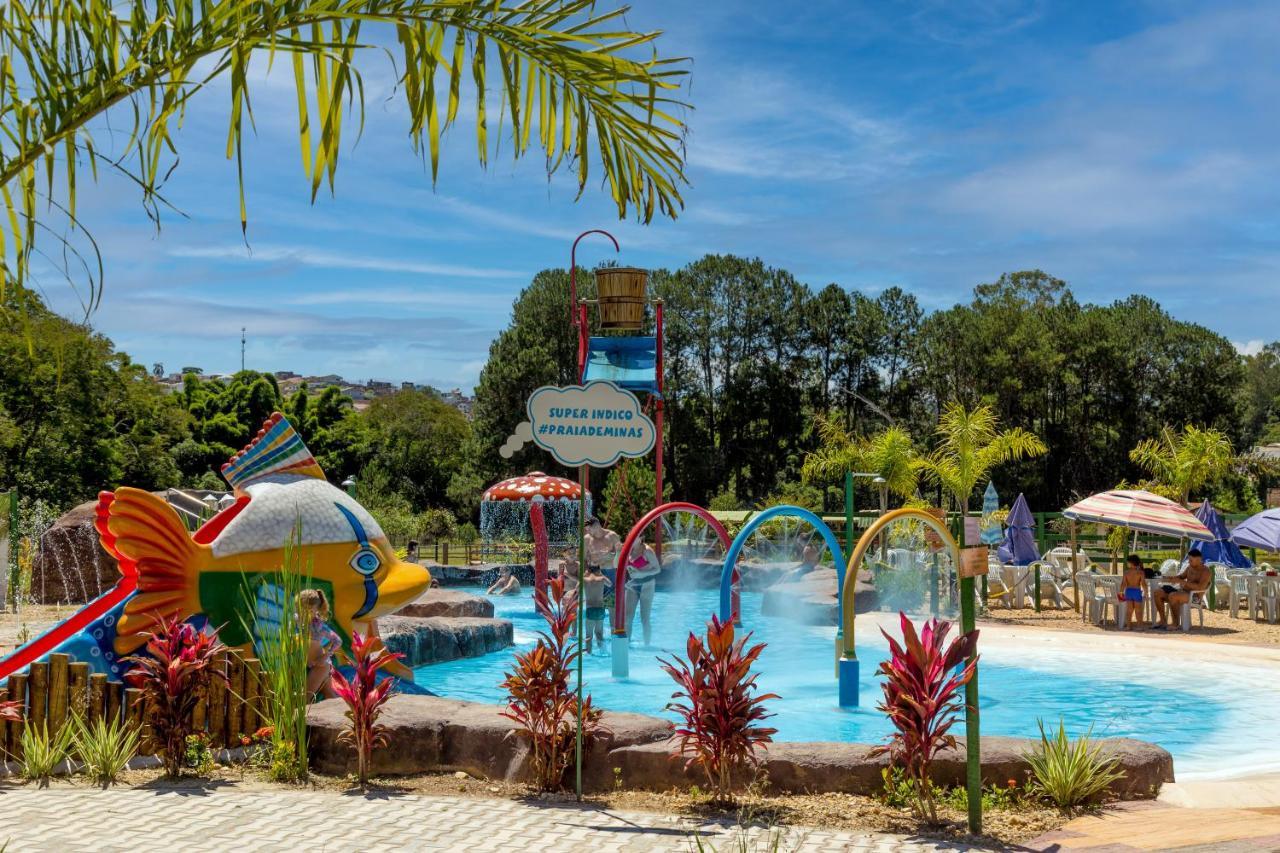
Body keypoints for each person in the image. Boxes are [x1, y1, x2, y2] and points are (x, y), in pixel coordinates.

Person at [1151, 548, 1211, 630]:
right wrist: (1171, 578)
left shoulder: (1206, 571)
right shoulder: (1190, 567)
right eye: (1189, 560)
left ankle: (1175, 623)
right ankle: (1163, 620)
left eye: (1191, 560)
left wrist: (1182, 582)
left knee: (1173, 595)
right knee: (1157, 593)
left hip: (1195, 597)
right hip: (1182, 592)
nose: (1189, 562)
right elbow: (1181, 577)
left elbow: (1200, 587)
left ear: (1198, 559)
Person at [297, 588, 339, 701]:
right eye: (302, 609)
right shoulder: (296, 621)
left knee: (305, 698)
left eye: (309, 611)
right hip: (307, 664)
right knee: (329, 694)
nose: (305, 613)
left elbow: (338, 641)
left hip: (320, 665)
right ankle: (341, 717)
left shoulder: (318, 626)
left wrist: (325, 656)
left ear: (316, 609)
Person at [623, 539, 662, 646]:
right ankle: (627, 644)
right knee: (627, 618)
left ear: (641, 538)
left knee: (644, 618)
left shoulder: (647, 551)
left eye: (636, 535)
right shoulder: (628, 550)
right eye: (630, 535)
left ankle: (647, 646)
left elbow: (657, 569)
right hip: (632, 585)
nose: (632, 537)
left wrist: (641, 574)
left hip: (647, 585)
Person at [584, 516, 621, 585]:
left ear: (597, 526)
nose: (587, 532)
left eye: (589, 529)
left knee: (611, 595)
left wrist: (611, 555)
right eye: (586, 530)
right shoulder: (587, 539)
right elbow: (583, 557)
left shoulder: (612, 536)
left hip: (611, 570)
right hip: (594, 572)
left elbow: (621, 554)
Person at [582, 564, 608, 653]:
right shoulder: (602, 579)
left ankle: (589, 653)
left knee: (588, 635)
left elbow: (577, 589)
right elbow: (610, 584)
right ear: (598, 571)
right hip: (600, 609)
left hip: (590, 609)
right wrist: (601, 575)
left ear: (588, 571)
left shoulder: (584, 580)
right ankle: (603, 652)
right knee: (599, 633)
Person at [1120, 554, 1146, 630]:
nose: (1127, 563)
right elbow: (1143, 584)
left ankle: (1128, 626)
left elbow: (1123, 584)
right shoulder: (1141, 573)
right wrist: (1145, 592)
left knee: (1129, 610)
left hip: (1129, 592)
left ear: (1131, 563)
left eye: (1128, 562)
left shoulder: (1126, 572)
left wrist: (1121, 593)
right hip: (1137, 592)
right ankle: (1139, 626)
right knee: (1138, 610)